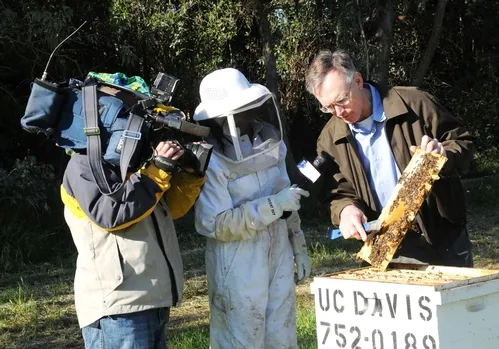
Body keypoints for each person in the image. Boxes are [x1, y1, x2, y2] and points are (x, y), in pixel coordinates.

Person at [305, 49, 475, 267]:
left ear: (358, 81)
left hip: (442, 238)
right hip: (384, 246)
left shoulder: (415, 103)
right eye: (328, 107)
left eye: (342, 100)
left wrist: (443, 155)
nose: (339, 113)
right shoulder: (329, 138)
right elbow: (338, 193)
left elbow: (463, 142)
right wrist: (346, 211)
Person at [193, 68, 311, 349]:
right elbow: (213, 224)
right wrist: (272, 206)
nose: (253, 112)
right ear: (225, 114)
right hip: (236, 262)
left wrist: (299, 245)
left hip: (278, 251)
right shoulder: (212, 159)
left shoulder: (269, 141)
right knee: (241, 341)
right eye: (245, 107)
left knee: (282, 337)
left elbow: (287, 197)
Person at [61, 140, 206, 349]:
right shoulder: (83, 166)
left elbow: (168, 210)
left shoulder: (136, 163)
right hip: (118, 310)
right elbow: (112, 215)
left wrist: (190, 175)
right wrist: (157, 172)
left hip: (152, 299)